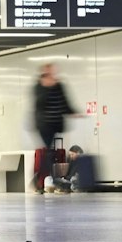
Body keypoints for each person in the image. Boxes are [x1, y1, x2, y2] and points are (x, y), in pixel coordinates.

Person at [33, 63, 74, 194]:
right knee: (49, 154)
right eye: (50, 72)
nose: (53, 74)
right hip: (44, 125)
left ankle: (39, 181)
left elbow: (64, 101)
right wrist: (46, 86)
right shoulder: (39, 86)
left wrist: (73, 112)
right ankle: (54, 181)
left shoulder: (59, 85)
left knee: (49, 154)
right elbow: (39, 103)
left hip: (55, 124)